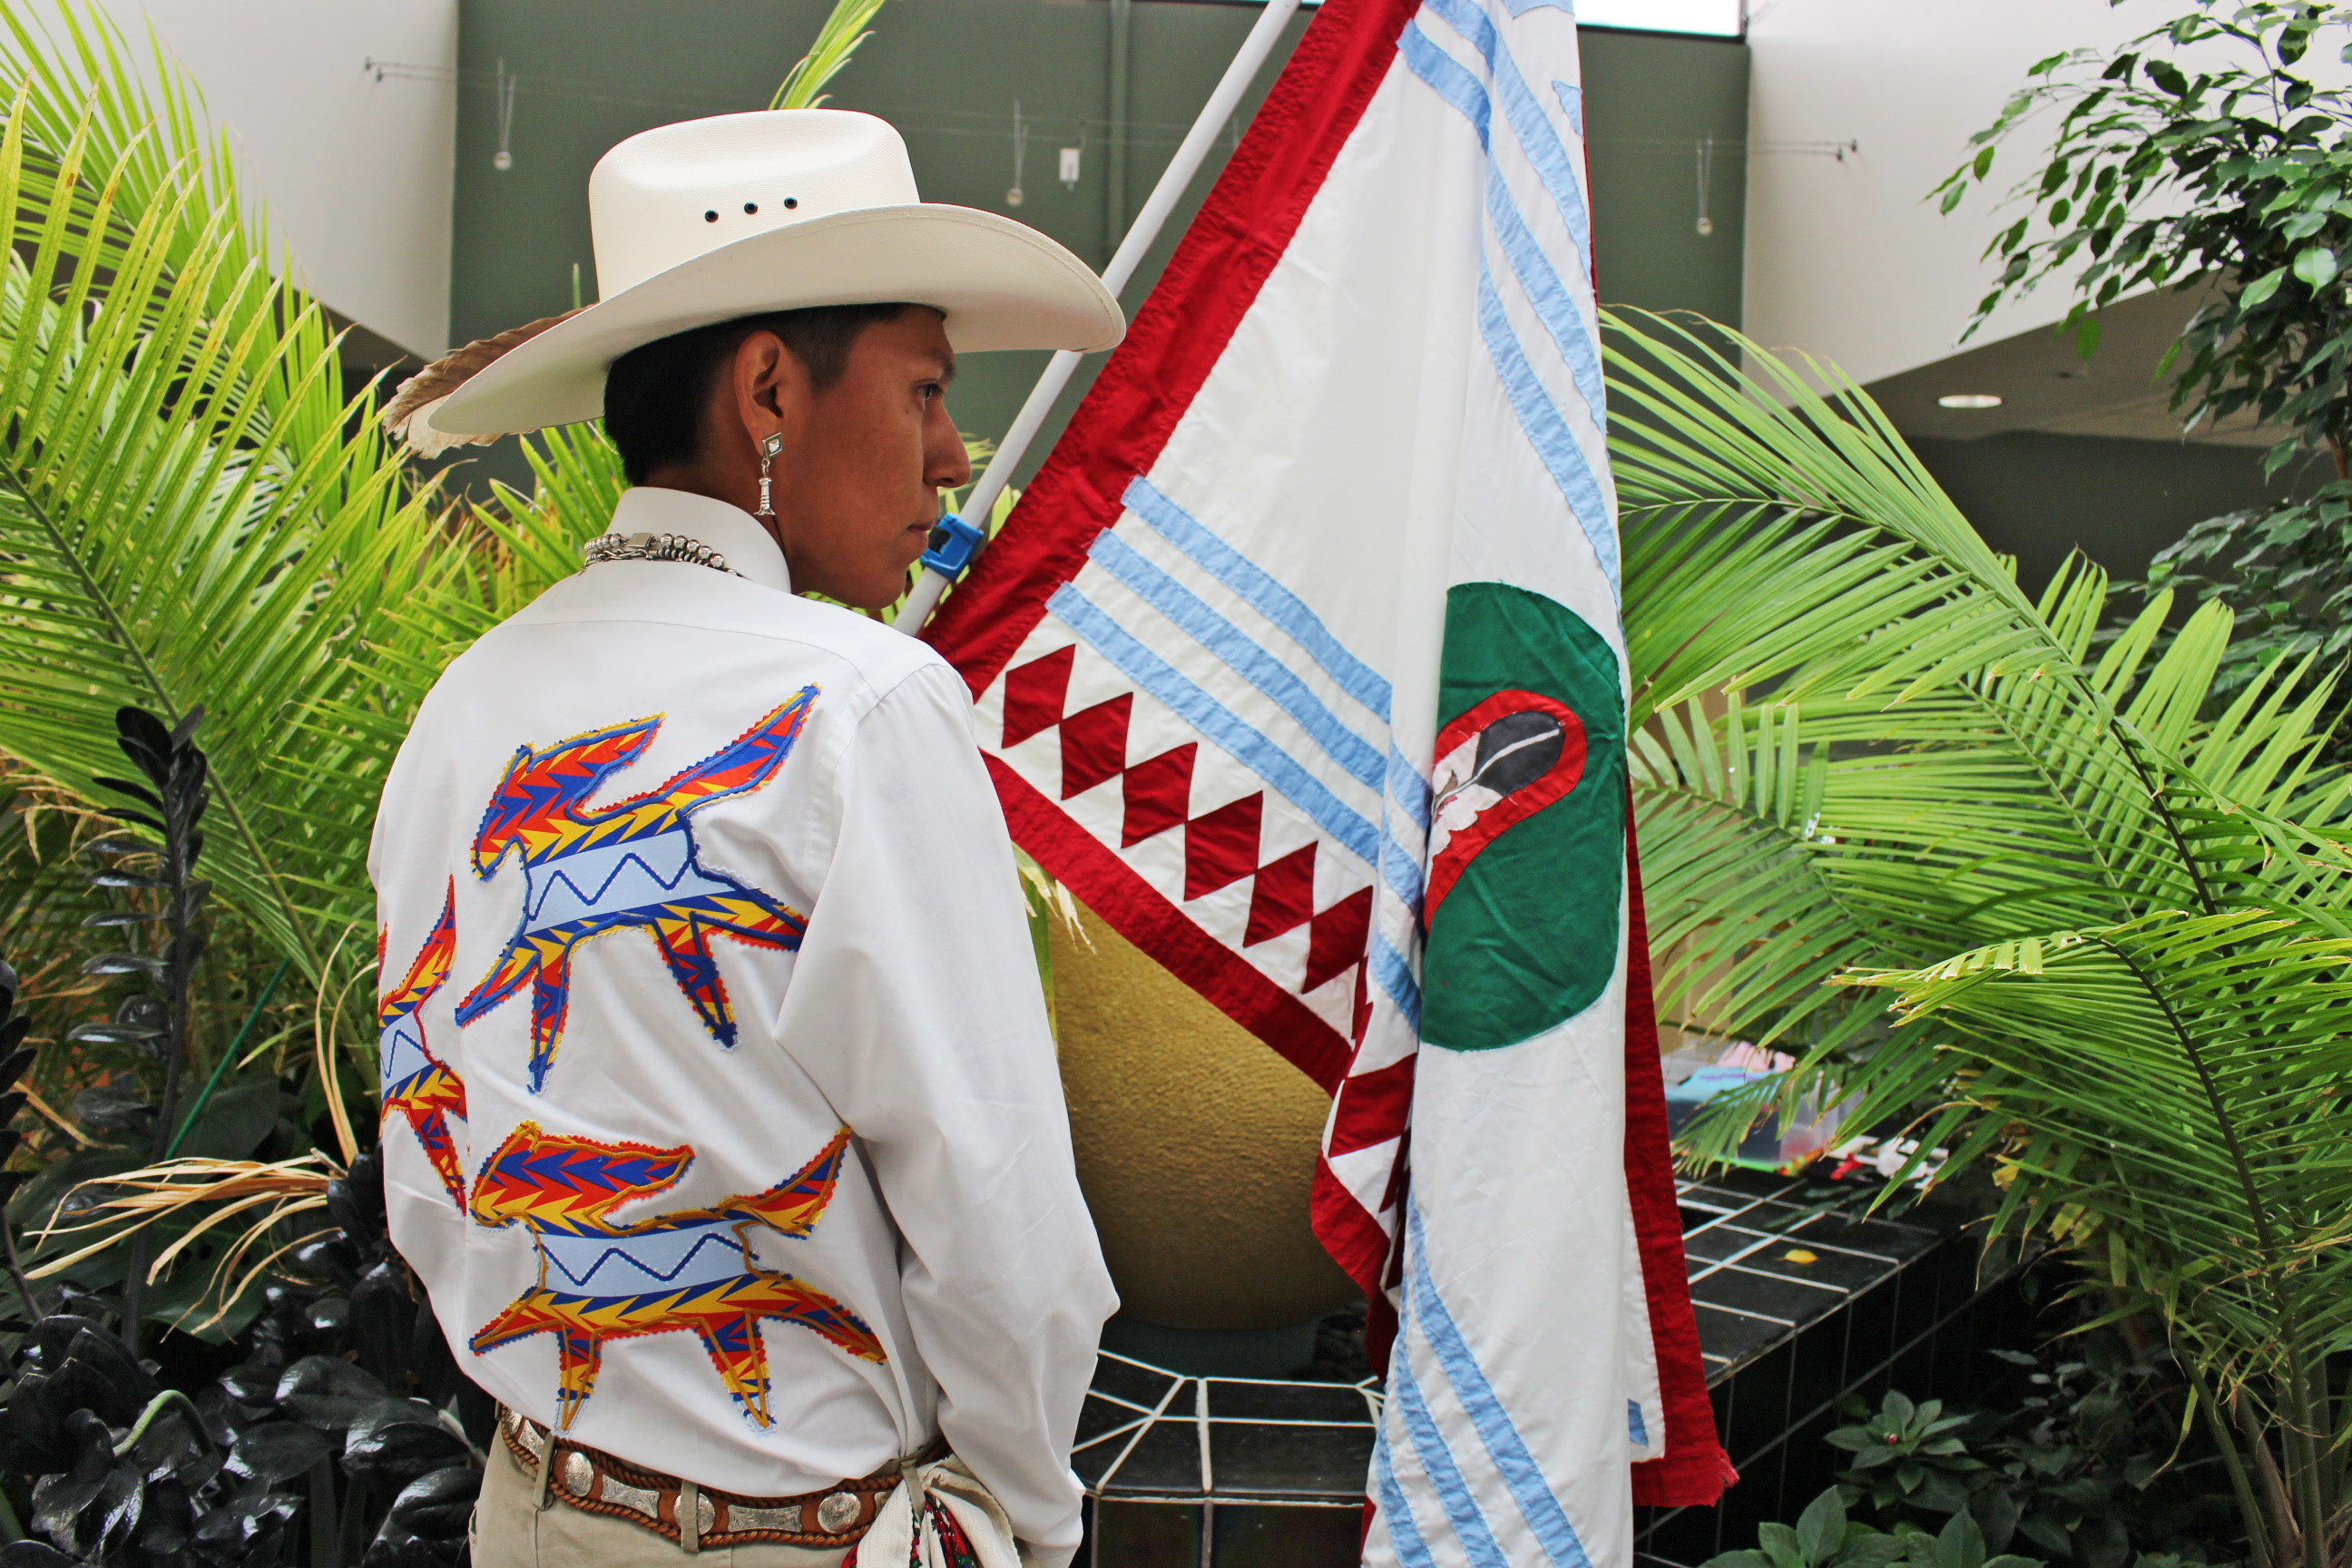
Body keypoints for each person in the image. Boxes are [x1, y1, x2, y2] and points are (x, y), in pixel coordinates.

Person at [368, 108, 1124, 1568]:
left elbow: (431, 1150)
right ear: (770, 387)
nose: (954, 456)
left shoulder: (469, 707)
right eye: (923, 393)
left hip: (532, 1511)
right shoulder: (864, 706)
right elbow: (1003, 1226)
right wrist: (1030, 1519)